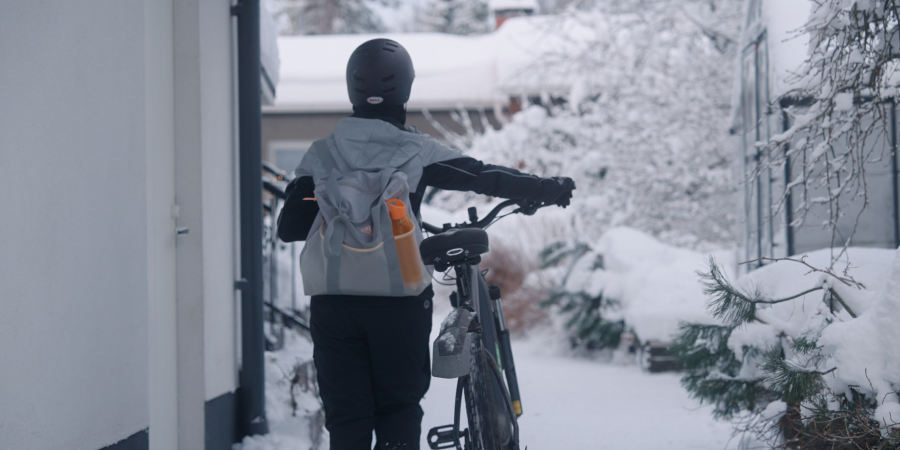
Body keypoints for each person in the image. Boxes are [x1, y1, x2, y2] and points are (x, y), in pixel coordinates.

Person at [277, 38, 575, 450]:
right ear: (406, 88)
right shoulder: (417, 150)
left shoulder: (321, 155)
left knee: (347, 415)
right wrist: (545, 188)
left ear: (352, 88)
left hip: (335, 305)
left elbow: (289, 228)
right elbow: (481, 175)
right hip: (398, 304)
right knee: (399, 409)